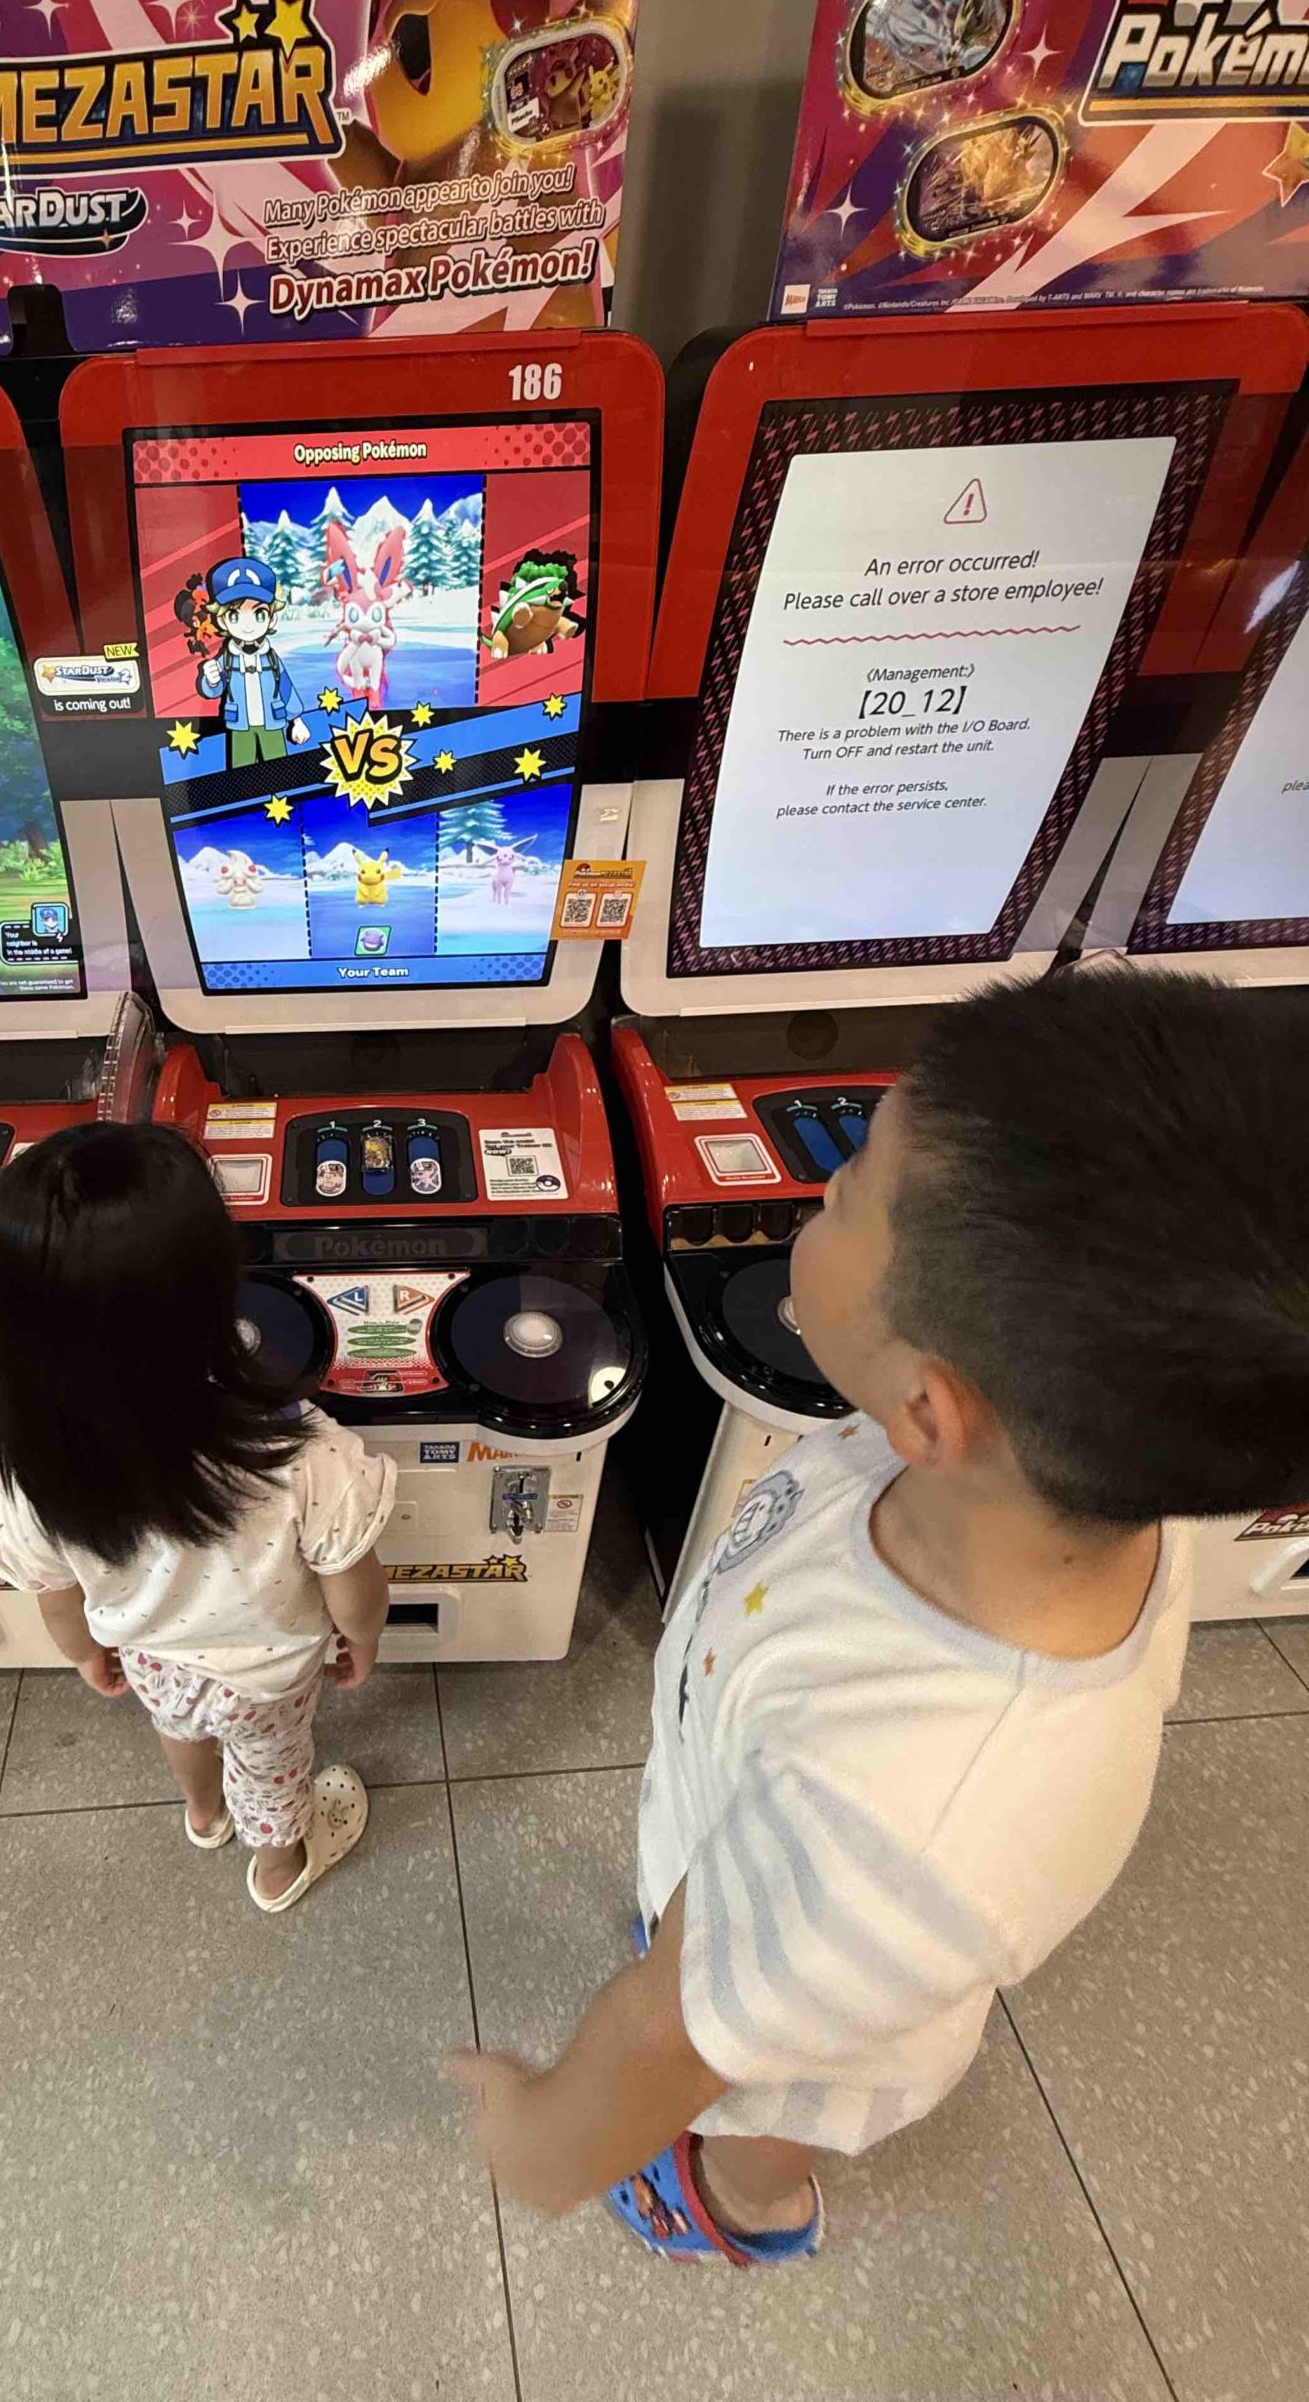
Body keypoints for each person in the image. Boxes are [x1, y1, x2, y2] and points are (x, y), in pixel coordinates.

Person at [449, 965, 1309, 2261]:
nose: (818, 1194)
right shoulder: (1085, 1485)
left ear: (929, 1408)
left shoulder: (899, 1821)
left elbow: (663, 2038)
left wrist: (540, 2138)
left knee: (761, 2108)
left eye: (847, 1188)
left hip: (817, 2002)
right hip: (768, 1872)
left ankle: (746, 2207)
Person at [0, 1121, 394, 1910]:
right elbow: (354, 1589)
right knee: (272, 1768)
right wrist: (364, 1640)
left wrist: (85, 1655)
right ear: (211, 1287)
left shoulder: (38, 1471)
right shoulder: (303, 1453)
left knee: (182, 1732)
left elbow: (56, 1598)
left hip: (155, 1661)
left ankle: (204, 1814)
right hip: (266, 1678)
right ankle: (279, 1867)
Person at [194, 555, 313, 767]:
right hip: (240, 727)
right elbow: (214, 691)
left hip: (273, 724)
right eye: (234, 616)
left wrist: (297, 721)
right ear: (221, 620)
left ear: (271, 618)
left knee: (279, 773)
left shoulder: (271, 658)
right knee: (241, 774)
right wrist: (211, 680)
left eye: (259, 614)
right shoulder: (227, 658)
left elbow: (286, 689)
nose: (248, 626)